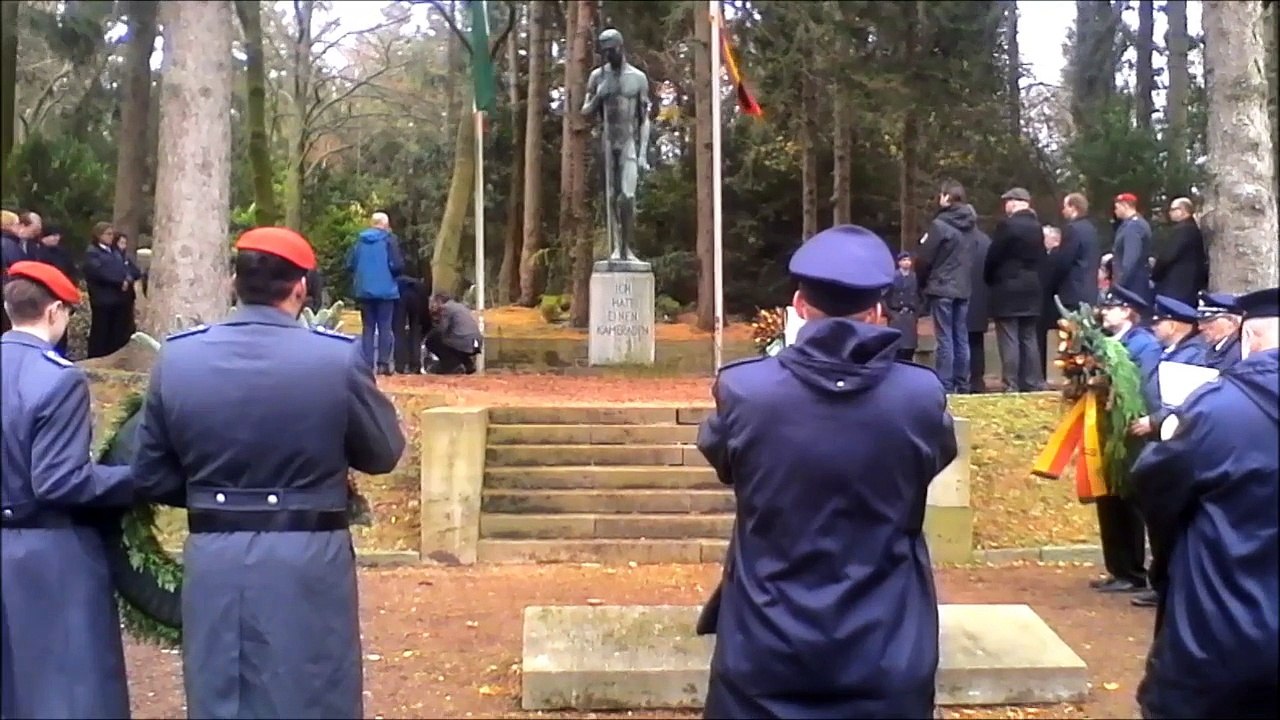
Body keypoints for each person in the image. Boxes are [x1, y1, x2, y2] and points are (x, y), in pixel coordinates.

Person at [131, 227, 407, 718]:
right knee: (314, 689)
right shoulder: (335, 357)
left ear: (233, 282)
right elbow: (382, 453)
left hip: (215, 553)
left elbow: (151, 472)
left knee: (222, 692)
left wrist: (214, 493)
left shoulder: (179, 356)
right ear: (300, 287)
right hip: (307, 554)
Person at [696, 224, 958, 719]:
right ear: (878, 311)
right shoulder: (919, 398)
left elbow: (724, 458)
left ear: (798, 305)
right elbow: (932, 458)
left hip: (764, 647)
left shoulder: (745, 391)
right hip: (887, 649)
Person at [1129, 286, 1278, 720]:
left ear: (1247, 339)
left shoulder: (1216, 410)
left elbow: (1157, 487)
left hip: (1219, 629)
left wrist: (1168, 564)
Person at [1, 261, 136, 718]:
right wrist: (134, 479)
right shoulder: (59, 379)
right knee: (68, 690)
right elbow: (59, 481)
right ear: (57, 311)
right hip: (47, 549)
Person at [1088, 285, 1162, 595]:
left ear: (1129, 311)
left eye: (1113, 307)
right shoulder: (1101, 342)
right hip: (1103, 428)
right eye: (1105, 308)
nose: (1106, 312)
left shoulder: (1142, 343)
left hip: (1130, 431)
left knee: (1129, 498)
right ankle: (1116, 567)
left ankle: (1133, 570)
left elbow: (1142, 384)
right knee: (1108, 498)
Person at [915, 180, 977, 392]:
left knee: (945, 338)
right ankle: (963, 383)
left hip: (942, 286)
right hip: (963, 286)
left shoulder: (940, 225)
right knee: (961, 337)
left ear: (947, 197)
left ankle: (945, 385)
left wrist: (923, 283)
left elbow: (924, 259)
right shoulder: (971, 226)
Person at [984, 187, 1045, 392]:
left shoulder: (1007, 226)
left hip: (1008, 286)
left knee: (1009, 336)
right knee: (1029, 337)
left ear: (1016, 202)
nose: (1005, 206)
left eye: (1007, 201)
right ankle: (1033, 381)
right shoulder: (1037, 227)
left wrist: (990, 278)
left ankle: (1011, 383)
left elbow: (993, 256)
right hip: (1031, 286)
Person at [347, 212, 404, 374]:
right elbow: (397, 266)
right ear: (385, 225)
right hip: (386, 291)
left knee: (368, 328)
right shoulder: (389, 240)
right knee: (385, 327)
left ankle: (366, 364)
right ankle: (383, 365)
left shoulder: (359, 241)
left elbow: (349, 264)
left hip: (364, 291)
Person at [83, 222, 136, 358]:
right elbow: (100, 272)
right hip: (102, 298)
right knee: (101, 331)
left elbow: (127, 268)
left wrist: (127, 279)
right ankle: (96, 356)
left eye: (112, 234)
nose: (111, 237)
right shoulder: (93, 253)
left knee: (116, 332)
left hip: (118, 299)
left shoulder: (115, 252)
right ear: (99, 235)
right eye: (108, 234)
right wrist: (119, 281)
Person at [31, 226, 80, 357]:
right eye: (52, 236)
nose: (56, 239)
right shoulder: (38, 252)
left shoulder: (63, 252)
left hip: (63, 294)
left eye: (58, 235)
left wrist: (73, 286)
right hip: (47, 294)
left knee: (62, 327)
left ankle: (60, 354)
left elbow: (72, 270)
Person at [1150, 197, 1208, 307]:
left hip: (1177, 285)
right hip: (1188, 286)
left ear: (1182, 211)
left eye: (1173, 209)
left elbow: (1167, 256)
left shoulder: (1183, 230)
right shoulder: (1191, 228)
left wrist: (1155, 274)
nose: (1170, 213)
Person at [1059, 192, 1102, 308]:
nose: (1063, 211)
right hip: (1090, 289)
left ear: (1073, 207)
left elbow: (1064, 260)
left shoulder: (1072, 229)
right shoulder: (1091, 228)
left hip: (1073, 290)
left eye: (1065, 207)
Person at [1111, 193, 1154, 306]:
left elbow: (1130, 259)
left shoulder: (1134, 226)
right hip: (1133, 283)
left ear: (1125, 205)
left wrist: (1119, 285)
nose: (1115, 211)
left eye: (1117, 207)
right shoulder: (1130, 224)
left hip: (1132, 285)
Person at [425, 292, 483, 375]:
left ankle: (451, 364)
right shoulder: (460, 306)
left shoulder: (446, 308)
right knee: (453, 339)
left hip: (464, 343)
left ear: (439, 301)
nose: (432, 305)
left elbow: (442, 329)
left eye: (433, 302)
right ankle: (468, 364)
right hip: (476, 342)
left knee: (432, 340)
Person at [966, 221, 993, 393]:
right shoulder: (986, 241)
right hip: (981, 297)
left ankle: (960, 379)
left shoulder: (958, 239)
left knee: (957, 340)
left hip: (960, 294)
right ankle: (977, 379)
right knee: (977, 342)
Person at [885, 251, 920, 362]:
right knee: (896, 348)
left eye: (908, 260)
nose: (906, 262)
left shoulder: (914, 277)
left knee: (909, 349)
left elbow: (919, 295)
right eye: (904, 260)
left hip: (910, 315)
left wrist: (917, 313)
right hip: (896, 314)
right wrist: (890, 314)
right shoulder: (893, 277)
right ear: (899, 262)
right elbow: (884, 296)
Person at [393, 273, 431, 374]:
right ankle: (415, 365)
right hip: (418, 294)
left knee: (398, 330)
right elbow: (424, 313)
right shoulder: (419, 284)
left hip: (400, 293)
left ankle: (400, 365)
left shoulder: (394, 281)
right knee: (415, 329)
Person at [1196, 291, 1243, 372]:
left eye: (1208, 321)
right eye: (1200, 322)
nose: (1200, 327)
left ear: (1231, 321)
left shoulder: (1239, 352)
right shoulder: (1216, 348)